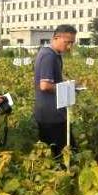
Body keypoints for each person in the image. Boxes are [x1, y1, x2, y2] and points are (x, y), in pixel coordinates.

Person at [33, 25, 77, 158]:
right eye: (67, 42)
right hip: (51, 114)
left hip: (51, 113)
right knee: (62, 154)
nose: (69, 46)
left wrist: (68, 82)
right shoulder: (48, 56)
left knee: (54, 152)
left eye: (72, 43)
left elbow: (53, 78)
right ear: (56, 38)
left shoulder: (53, 54)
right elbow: (45, 85)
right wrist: (67, 88)